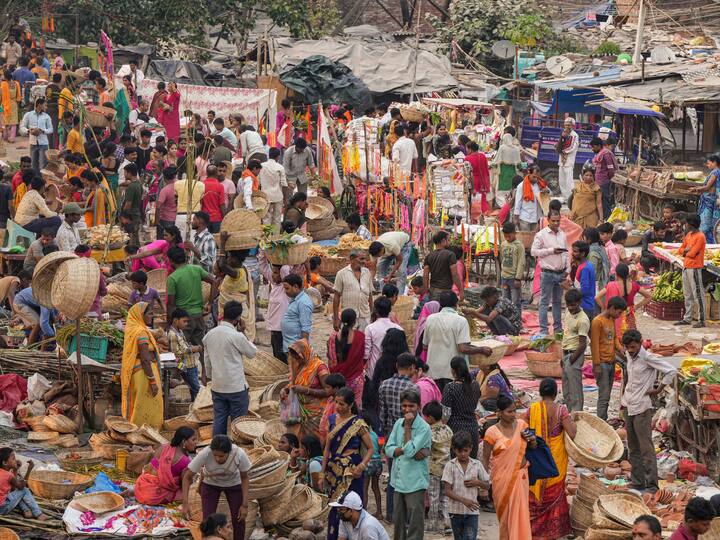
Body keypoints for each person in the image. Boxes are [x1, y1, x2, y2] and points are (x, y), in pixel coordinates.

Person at [622, 329, 676, 492]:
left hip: (641, 407)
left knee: (645, 447)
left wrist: (658, 389)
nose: (630, 351)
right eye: (627, 347)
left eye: (633, 347)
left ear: (639, 343)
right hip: (629, 405)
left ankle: (652, 484)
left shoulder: (647, 357)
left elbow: (671, 370)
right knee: (633, 447)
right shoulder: (628, 355)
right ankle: (637, 481)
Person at [526, 378, 576, 539]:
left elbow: (520, 426)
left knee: (534, 493)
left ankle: (531, 531)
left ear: (540, 393)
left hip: (536, 459)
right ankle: (552, 532)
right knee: (554, 494)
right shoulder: (561, 411)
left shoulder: (532, 409)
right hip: (555, 461)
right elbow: (573, 433)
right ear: (555, 393)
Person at [321, 387, 374, 540]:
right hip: (335, 469)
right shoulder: (332, 420)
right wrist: (322, 472)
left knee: (352, 503)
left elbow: (370, 448)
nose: (338, 406)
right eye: (336, 402)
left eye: (342, 404)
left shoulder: (358, 423)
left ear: (350, 405)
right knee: (335, 505)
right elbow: (326, 449)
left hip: (352, 470)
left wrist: (361, 466)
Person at [482, 394, 535, 540]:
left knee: (521, 514)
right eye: (509, 411)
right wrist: (483, 484)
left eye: (515, 410)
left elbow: (533, 447)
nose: (514, 414)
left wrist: (532, 440)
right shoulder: (491, 432)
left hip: (520, 477)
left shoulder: (522, 426)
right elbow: (485, 459)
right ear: (499, 412)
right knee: (505, 519)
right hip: (501, 480)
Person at [181, 435, 251, 540]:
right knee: (208, 521)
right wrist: (185, 503)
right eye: (215, 455)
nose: (218, 459)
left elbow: (245, 478)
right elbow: (187, 477)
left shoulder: (239, 454)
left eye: (221, 456)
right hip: (210, 484)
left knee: (239, 519)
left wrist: (244, 505)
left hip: (234, 484)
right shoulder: (205, 453)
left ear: (229, 452)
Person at [203, 301, 256, 435]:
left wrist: (210, 377)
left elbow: (207, 362)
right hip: (236, 387)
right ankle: (236, 450)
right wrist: (243, 332)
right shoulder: (236, 336)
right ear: (238, 319)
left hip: (218, 386)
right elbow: (252, 353)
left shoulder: (210, 335)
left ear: (223, 314)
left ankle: (218, 450)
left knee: (219, 420)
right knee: (238, 424)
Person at [385, 389, 431, 540]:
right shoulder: (398, 423)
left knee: (415, 523)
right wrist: (400, 450)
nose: (407, 409)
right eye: (404, 406)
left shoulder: (424, 428)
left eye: (411, 406)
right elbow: (388, 449)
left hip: (415, 482)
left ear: (418, 406)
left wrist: (408, 429)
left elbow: (410, 452)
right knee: (398, 521)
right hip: (397, 481)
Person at [423, 292, 491, 389]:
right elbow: (463, 348)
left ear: (440, 304)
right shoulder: (461, 320)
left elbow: (425, 346)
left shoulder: (430, 319)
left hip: (433, 370)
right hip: (452, 372)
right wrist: (481, 350)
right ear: (456, 304)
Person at [121, 302, 163, 430]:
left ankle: (137, 431)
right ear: (140, 315)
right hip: (144, 373)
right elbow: (145, 359)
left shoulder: (134, 330)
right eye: (149, 314)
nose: (152, 316)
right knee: (147, 404)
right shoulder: (141, 333)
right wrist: (152, 381)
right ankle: (146, 432)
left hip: (139, 372)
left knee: (138, 403)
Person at [166, 247, 217, 349]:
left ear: (171, 260)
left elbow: (171, 304)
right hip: (198, 315)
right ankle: (204, 365)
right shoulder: (196, 269)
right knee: (200, 347)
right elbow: (214, 282)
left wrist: (170, 323)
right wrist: (210, 303)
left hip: (183, 318)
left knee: (181, 348)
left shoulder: (172, 278)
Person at [442, 431, 490, 540]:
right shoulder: (450, 466)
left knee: (470, 537)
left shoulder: (477, 465)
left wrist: (478, 482)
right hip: (455, 511)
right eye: (459, 451)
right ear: (454, 449)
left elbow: (487, 485)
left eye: (465, 450)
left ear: (471, 448)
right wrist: (464, 501)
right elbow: (447, 491)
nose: (463, 454)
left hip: (472, 512)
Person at [134, 427, 197, 505]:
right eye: (193, 440)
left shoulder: (164, 447)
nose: (196, 442)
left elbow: (151, 467)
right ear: (184, 441)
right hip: (153, 496)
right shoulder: (184, 460)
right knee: (189, 490)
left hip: (141, 487)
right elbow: (184, 481)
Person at [531, 212, 570, 336]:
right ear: (548, 220)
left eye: (558, 221)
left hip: (560, 272)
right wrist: (551, 251)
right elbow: (533, 252)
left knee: (558, 302)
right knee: (544, 302)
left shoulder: (562, 234)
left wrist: (567, 269)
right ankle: (543, 330)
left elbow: (565, 253)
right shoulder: (541, 235)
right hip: (547, 272)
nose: (556, 223)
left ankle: (558, 329)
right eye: (553, 221)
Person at [283, 338, 330, 438]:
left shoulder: (319, 367)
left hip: (316, 411)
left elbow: (329, 391)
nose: (297, 360)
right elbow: (293, 382)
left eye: (299, 357)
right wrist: (286, 390)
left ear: (306, 353)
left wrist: (307, 391)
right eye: (295, 358)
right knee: (299, 439)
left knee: (314, 439)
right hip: (300, 410)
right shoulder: (298, 365)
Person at [591, 296, 627, 421]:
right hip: (602, 363)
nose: (619, 315)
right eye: (619, 312)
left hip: (611, 362)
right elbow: (594, 344)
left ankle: (603, 419)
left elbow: (614, 338)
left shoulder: (611, 320)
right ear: (612, 308)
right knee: (604, 396)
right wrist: (596, 365)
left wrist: (620, 348)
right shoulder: (597, 321)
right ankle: (601, 421)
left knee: (608, 394)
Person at [596, 262, 652, 336]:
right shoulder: (634, 285)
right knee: (629, 338)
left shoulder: (611, 285)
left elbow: (597, 297)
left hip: (614, 315)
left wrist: (604, 308)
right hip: (629, 316)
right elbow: (649, 296)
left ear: (616, 274)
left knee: (615, 337)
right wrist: (636, 307)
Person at [442, 357, 481, 457]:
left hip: (455, 428)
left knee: (456, 462)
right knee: (471, 461)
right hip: (472, 427)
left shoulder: (450, 387)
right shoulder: (475, 385)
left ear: (453, 370)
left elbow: (445, 414)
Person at [559, 288, 590, 413]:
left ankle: (577, 413)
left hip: (574, 354)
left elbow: (582, 344)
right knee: (566, 387)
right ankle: (569, 412)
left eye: (573, 305)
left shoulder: (583, 320)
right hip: (566, 352)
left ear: (579, 302)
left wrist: (571, 360)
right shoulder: (568, 312)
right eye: (568, 305)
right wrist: (563, 357)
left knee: (575, 387)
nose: (571, 308)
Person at [327, 308, 366, 407]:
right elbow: (363, 356)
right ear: (354, 322)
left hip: (339, 380)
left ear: (341, 320)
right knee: (355, 405)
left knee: (338, 405)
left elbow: (331, 359)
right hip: (356, 379)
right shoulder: (360, 336)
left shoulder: (333, 337)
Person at [0, 448, 48, 521]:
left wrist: (15, 469)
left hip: (2, 505)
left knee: (16, 492)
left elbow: (13, 488)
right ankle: (38, 513)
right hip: (3, 508)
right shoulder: (8, 475)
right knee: (24, 490)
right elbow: (22, 486)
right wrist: (29, 470)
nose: (16, 460)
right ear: (5, 463)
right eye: (13, 459)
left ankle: (26, 511)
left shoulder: (4, 473)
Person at [332, 249, 373, 332]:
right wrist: (336, 318)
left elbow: (370, 294)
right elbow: (336, 297)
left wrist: (372, 313)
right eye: (361, 259)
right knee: (348, 342)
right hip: (348, 317)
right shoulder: (341, 274)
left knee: (363, 342)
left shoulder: (367, 272)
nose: (364, 262)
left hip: (365, 316)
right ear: (352, 259)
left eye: (365, 259)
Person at [677, 214, 707, 328]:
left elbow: (692, 253)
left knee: (698, 294)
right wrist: (686, 251)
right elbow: (681, 250)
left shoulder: (700, 237)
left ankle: (702, 320)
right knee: (687, 294)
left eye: (687, 223)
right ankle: (687, 318)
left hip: (694, 267)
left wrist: (685, 252)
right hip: (686, 266)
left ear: (691, 225)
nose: (685, 225)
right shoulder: (689, 235)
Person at [365, 297, 403, 381]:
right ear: (390, 310)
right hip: (393, 372)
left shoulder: (370, 328)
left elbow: (366, 354)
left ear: (376, 311)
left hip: (374, 372)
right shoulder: (399, 329)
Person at [423, 230, 463, 302]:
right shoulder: (450, 255)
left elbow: (425, 276)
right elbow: (455, 275)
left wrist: (426, 291)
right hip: (445, 292)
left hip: (433, 291)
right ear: (443, 241)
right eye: (448, 240)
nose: (449, 242)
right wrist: (461, 290)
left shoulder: (429, 256)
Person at [281, 274, 313, 354]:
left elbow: (305, 328)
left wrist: (302, 350)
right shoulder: (295, 299)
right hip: (290, 345)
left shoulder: (303, 303)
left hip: (296, 348)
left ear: (295, 286)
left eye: (287, 288)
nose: (285, 291)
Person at [20, 97, 53, 173]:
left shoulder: (46, 116)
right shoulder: (28, 115)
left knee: (43, 166)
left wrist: (42, 131)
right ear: (39, 105)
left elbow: (51, 129)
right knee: (33, 165)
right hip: (33, 143)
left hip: (43, 143)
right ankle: (35, 182)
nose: (46, 107)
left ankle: (42, 181)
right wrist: (28, 131)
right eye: (45, 105)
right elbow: (22, 127)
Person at [500, 221, 525, 312]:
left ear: (514, 233)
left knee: (515, 302)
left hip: (514, 278)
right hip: (504, 277)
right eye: (505, 236)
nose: (507, 238)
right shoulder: (503, 244)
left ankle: (517, 322)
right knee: (505, 301)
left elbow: (521, 262)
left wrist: (518, 278)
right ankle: (507, 321)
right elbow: (501, 258)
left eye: (509, 235)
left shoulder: (519, 246)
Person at [513, 165, 547, 232]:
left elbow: (550, 193)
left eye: (537, 177)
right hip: (525, 218)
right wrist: (516, 218)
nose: (536, 179)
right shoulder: (521, 186)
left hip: (537, 217)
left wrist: (547, 191)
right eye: (534, 177)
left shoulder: (540, 184)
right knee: (525, 239)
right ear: (529, 173)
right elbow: (518, 203)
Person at [258, 147, 287, 227]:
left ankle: (267, 238)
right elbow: (284, 184)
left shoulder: (261, 166)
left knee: (266, 218)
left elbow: (258, 183)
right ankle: (276, 237)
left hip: (265, 196)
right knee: (277, 218)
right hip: (278, 196)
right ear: (278, 156)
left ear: (269, 155)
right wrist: (285, 198)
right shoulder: (280, 167)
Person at [570, 164, 603, 230]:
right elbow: (573, 202)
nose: (588, 177)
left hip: (591, 218)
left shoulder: (596, 188)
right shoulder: (577, 186)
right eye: (586, 175)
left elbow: (599, 204)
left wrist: (601, 220)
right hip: (577, 218)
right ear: (582, 175)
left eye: (590, 175)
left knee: (590, 235)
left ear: (593, 176)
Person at [591, 137, 616, 218]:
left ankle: (607, 218)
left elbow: (611, 169)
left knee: (605, 201)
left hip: (604, 182)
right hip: (599, 181)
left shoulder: (606, 154)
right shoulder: (600, 154)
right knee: (600, 200)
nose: (592, 149)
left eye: (593, 147)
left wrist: (608, 179)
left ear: (598, 146)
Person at [572, 240, 597, 321]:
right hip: (588, 304)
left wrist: (569, 289)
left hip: (585, 306)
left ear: (583, 253)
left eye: (575, 251)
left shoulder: (585, 268)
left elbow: (584, 290)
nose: (573, 253)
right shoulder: (586, 265)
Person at [1, 71, 21, 143]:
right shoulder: (16, 83)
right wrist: (17, 105)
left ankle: (5, 136)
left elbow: (0, 95)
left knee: (5, 121)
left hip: (5, 104)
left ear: (5, 77)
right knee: (14, 121)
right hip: (14, 103)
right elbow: (19, 96)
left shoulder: (3, 84)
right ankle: (12, 138)